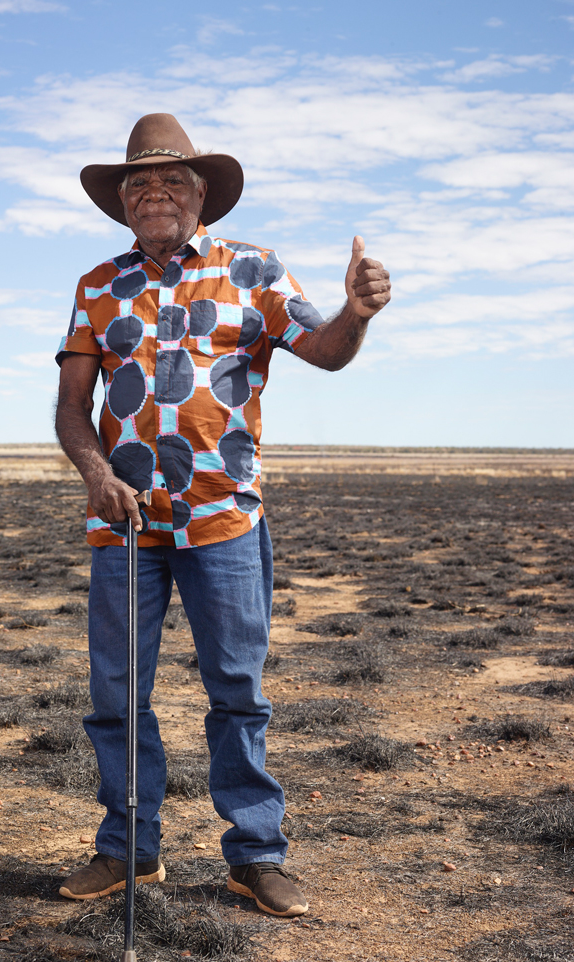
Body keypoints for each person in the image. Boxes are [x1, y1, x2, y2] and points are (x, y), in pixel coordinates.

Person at [54, 113, 390, 917]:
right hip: (126, 524)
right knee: (116, 695)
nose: (154, 193)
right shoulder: (98, 286)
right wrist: (98, 473)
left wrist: (359, 313)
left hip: (224, 522)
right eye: (139, 183)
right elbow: (71, 408)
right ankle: (128, 850)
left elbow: (326, 351)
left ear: (202, 194)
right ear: (122, 202)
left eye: (172, 180)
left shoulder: (255, 270)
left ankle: (256, 854)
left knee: (237, 690)